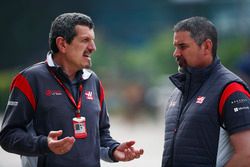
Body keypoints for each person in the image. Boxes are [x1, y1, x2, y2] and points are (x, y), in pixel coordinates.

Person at [0, 12, 143, 167]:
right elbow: (8, 136)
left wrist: (113, 150)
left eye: (92, 41)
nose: (93, 47)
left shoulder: (93, 81)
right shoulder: (30, 79)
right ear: (62, 44)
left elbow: (101, 135)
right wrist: (44, 144)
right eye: (85, 40)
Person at [161, 16, 250, 167]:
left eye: (182, 46)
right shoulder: (177, 92)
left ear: (207, 46)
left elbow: (247, 154)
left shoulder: (231, 90)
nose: (176, 53)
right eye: (175, 47)